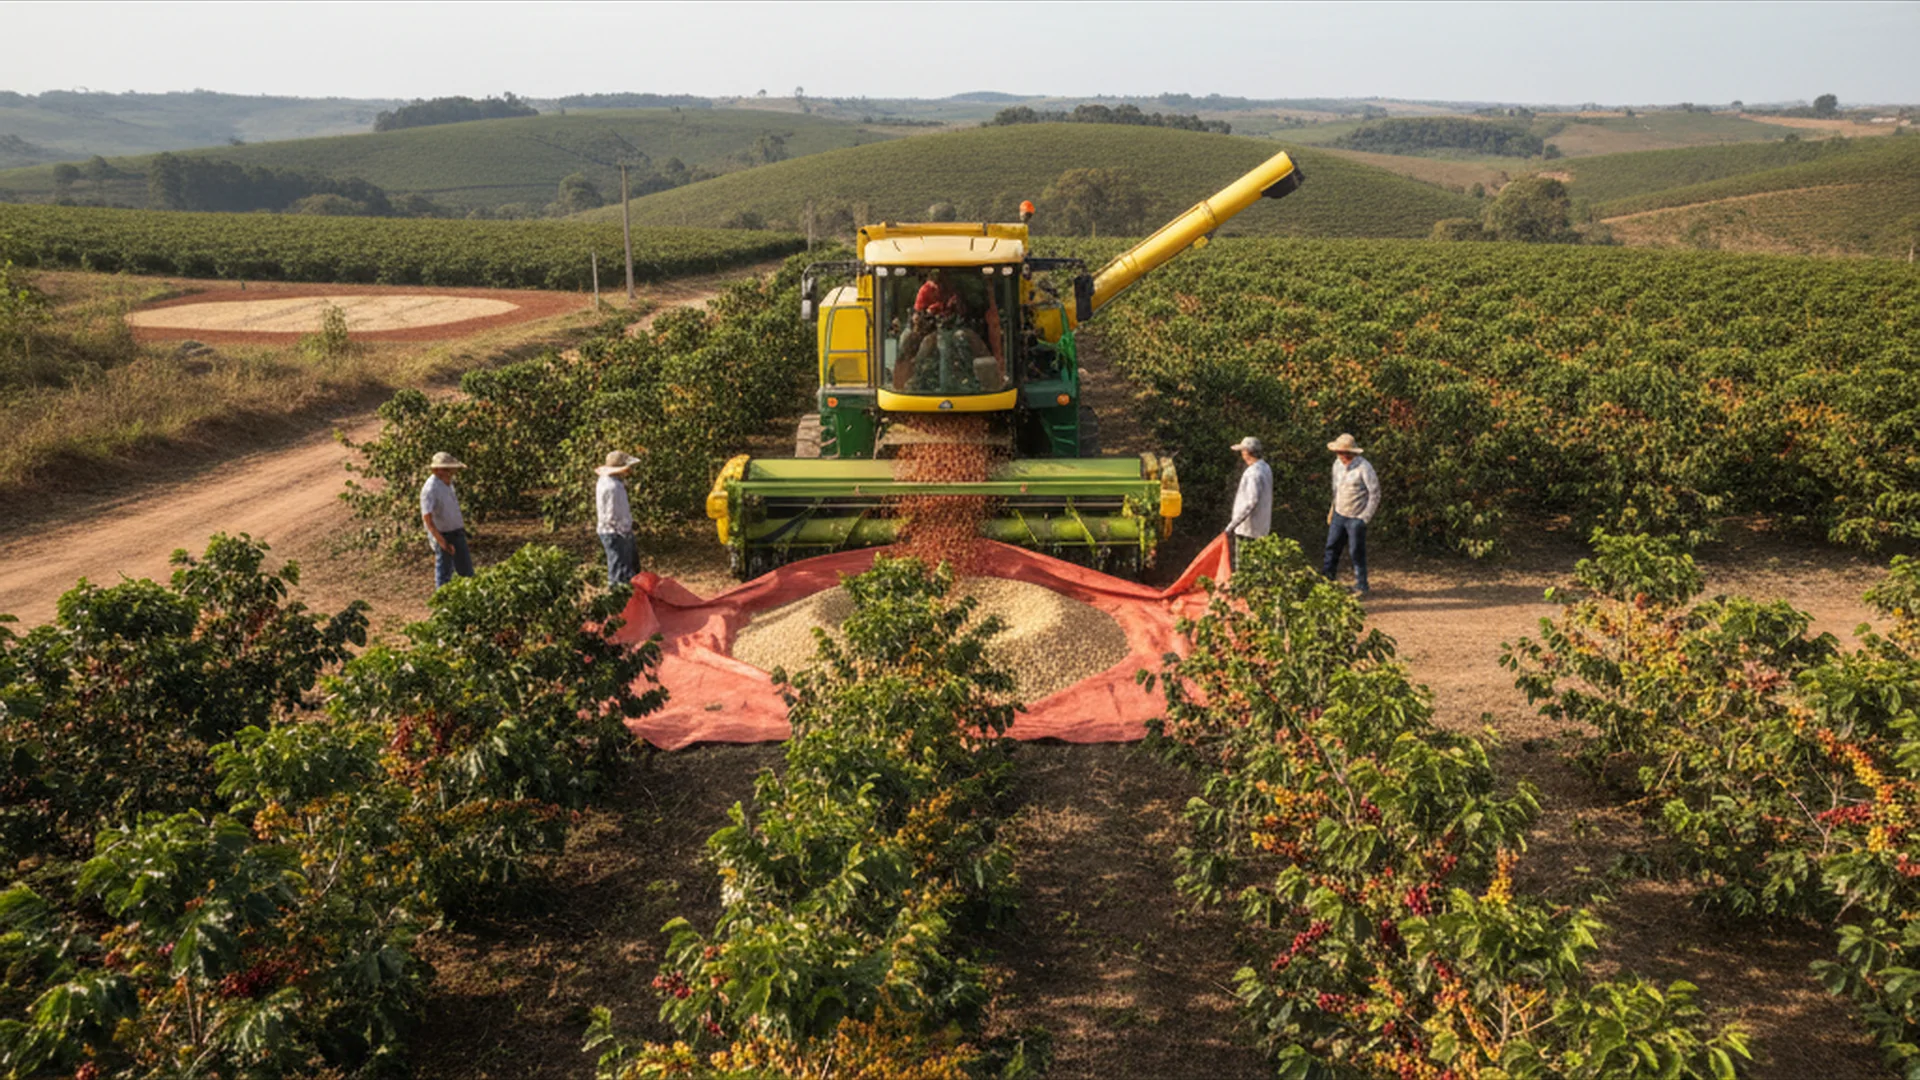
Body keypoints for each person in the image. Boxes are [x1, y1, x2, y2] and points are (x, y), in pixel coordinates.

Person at [1323, 433, 1381, 595]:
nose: (1341, 456)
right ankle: (1327, 580)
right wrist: (1332, 509)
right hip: (1339, 513)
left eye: (1343, 452)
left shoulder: (1364, 467)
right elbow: (1336, 489)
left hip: (1356, 516)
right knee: (1331, 547)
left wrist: (1364, 518)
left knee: (1356, 551)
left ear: (1352, 452)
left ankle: (1361, 585)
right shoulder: (1336, 465)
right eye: (1339, 452)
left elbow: (1375, 493)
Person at [420, 451, 474, 590]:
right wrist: (442, 541)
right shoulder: (431, 488)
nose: (452, 472)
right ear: (438, 470)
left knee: (466, 572)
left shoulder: (447, 483)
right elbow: (427, 518)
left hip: (456, 532)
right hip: (444, 534)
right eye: (449, 469)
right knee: (444, 575)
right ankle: (443, 608)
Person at [1224, 436, 1272, 572]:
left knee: (1245, 568)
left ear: (1247, 452)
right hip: (1261, 526)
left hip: (1248, 529)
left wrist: (1232, 525)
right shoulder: (1265, 467)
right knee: (1257, 565)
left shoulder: (1253, 473)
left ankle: (1244, 592)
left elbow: (1250, 502)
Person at [595, 450, 640, 587]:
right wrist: (624, 532)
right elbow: (612, 515)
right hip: (615, 532)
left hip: (613, 531)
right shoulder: (613, 487)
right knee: (619, 573)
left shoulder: (606, 481)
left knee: (623, 568)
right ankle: (620, 602)